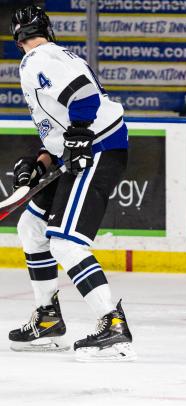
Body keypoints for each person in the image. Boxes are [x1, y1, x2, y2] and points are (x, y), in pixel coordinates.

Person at [8, 6, 135, 361]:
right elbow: (60, 125)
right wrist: (40, 162)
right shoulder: (53, 54)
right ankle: (48, 318)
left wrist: (79, 136)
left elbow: (83, 96)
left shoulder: (37, 60)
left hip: (98, 149)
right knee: (31, 226)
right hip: (82, 150)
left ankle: (111, 322)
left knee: (65, 242)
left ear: (16, 40)